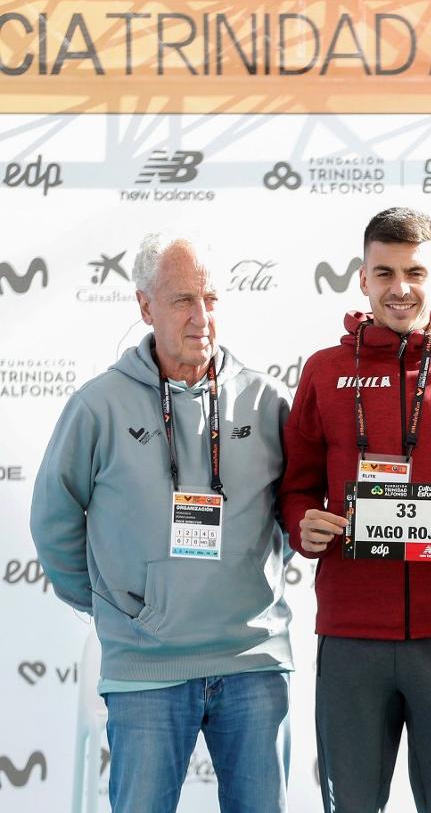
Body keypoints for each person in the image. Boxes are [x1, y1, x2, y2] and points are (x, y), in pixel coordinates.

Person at [31, 233, 293, 813]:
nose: (202, 317)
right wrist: (121, 605)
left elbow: (294, 512)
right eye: (182, 300)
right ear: (145, 306)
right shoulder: (98, 406)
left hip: (253, 663)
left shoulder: (266, 401)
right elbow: (53, 520)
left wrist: (247, 577)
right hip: (146, 669)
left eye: (211, 299)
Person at [279, 207, 431, 813]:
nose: (400, 287)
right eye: (385, 272)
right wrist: (302, 525)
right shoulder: (325, 372)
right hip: (352, 632)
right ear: (362, 278)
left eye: (415, 271)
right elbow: (295, 484)